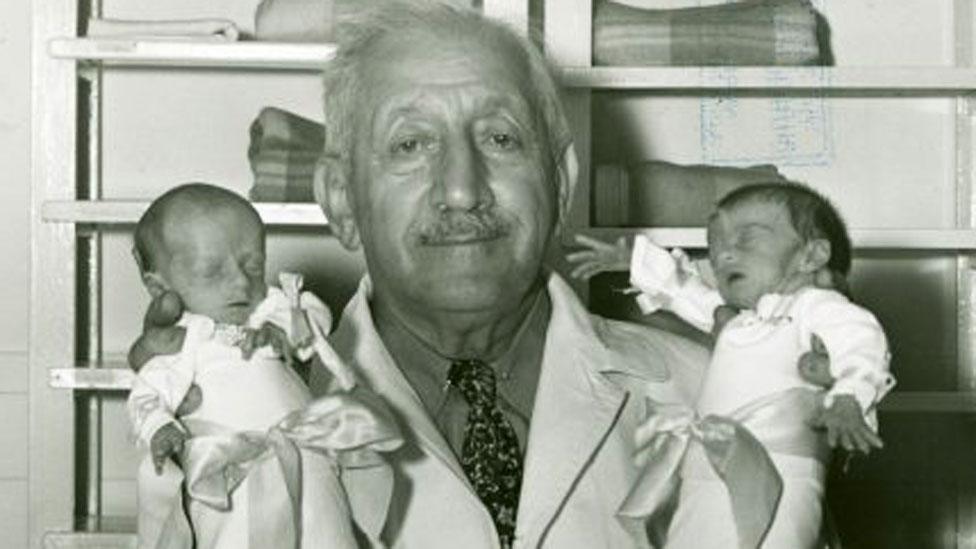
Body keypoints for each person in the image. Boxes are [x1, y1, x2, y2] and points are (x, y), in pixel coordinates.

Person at [567, 182, 895, 548]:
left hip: (782, 469)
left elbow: (862, 342)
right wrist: (636, 264)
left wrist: (849, 397)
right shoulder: (738, 322)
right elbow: (687, 293)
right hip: (705, 467)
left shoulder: (814, 307)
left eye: (747, 239)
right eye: (715, 245)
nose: (723, 254)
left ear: (811, 255)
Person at [126, 183, 402, 549]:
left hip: (310, 462)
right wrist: (161, 428)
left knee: (328, 533)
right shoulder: (183, 341)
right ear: (159, 286)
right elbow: (147, 395)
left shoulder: (269, 310)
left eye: (254, 265)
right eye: (212, 271)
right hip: (235, 476)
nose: (241, 281)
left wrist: (287, 330)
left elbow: (316, 313)